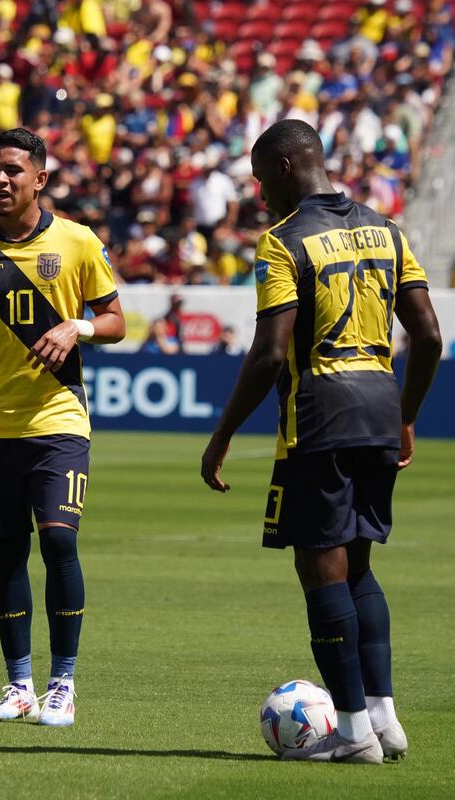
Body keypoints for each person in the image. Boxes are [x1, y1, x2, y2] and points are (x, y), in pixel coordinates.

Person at [200, 120, 441, 764]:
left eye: (258, 178)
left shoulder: (282, 242)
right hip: (380, 405)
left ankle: (354, 731)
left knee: (319, 565)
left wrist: (222, 434)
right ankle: (386, 720)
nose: (257, 193)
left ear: (283, 168)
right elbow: (430, 336)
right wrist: (407, 414)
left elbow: (271, 354)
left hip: (321, 413)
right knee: (359, 561)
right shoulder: (386, 229)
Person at [0, 128, 125, 726]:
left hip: (59, 418)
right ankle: (19, 686)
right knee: (7, 556)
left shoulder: (77, 242)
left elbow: (115, 319)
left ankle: (64, 684)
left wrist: (76, 328)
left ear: (40, 178)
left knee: (59, 540)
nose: (0, 180)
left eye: (12, 170)